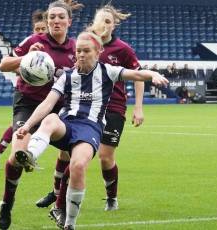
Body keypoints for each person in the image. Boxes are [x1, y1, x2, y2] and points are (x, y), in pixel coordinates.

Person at [15, 31, 168, 230]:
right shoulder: (66, 76)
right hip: (67, 125)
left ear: (98, 52)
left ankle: (69, 223)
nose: (81, 54)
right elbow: (47, 103)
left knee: (78, 166)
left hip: (90, 129)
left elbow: (136, 74)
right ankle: (30, 155)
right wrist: (26, 127)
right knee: (51, 117)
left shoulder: (108, 71)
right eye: (78, 50)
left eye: (86, 51)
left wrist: (153, 74)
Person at [35, 4, 146, 218]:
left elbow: (138, 75)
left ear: (114, 25)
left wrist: (138, 107)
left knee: (105, 157)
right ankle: (57, 195)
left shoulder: (122, 49)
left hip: (112, 107)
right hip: (80, 106)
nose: (104, 25)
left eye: (108, 21)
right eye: (100, 20)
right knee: (66, 152)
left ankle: (111, 196)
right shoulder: (84, 43)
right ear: (93, 22)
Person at [0, 1, 82, 229]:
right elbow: (4, 64)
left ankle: (59, 205)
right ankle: (7, 202)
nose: (55, 21)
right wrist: (25, 59)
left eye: (60, 17)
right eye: (51, 17)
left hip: (59, 108)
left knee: (74, 155)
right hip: (28, 103)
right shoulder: (34, 41)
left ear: (69, 22)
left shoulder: (75, 48)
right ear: (46, 21)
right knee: (18, 155)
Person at [0, 9, 48, 170]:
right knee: (18, 127)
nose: (41, 32)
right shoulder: (30, 42)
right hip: (27, 95)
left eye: (44, 28)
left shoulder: (54, 44)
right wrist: (28, 68)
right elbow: (11, 65)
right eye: (38, 29)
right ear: (33, 30)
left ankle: (32, 157)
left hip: (48, 98)